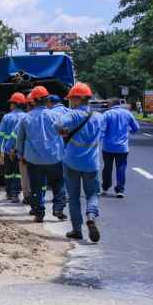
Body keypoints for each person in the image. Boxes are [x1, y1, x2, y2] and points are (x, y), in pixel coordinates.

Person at [57, 83, 105, 243]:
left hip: (71, 162)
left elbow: (57, 124)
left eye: (71, 99)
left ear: (78, 99)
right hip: (91, 164)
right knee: (93, 194)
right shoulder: (99, 117)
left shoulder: (73, 115)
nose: (70, 102)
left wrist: (63, 132)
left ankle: (77, 230)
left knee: (74, 197)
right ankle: (91, 215)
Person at [16, 85, 67, 222]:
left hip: (34, 160)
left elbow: (20, 139)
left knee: (36, 187)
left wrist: (20, 155)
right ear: (47, 100)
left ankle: (39, 213)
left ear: (33, 101)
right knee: (58, 184)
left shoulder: (26, 118)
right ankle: (58, 208)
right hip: (54, 157)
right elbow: (64, 133)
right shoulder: (56, 116)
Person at [101, 98, 140, 198]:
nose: (107, 105)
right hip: (122, 147)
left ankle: (105, 187)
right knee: (121, 168)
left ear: (111, 104)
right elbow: (136, 128)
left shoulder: (107, 114)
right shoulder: (127, 114)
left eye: (108, 104)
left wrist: (97, 140)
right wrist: (128, 131)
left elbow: (102, 130)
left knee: (107, 168)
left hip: (108, 147)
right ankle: (120, 190)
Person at [0, 92, 28, 202]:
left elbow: (0, 134)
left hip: (8, 149)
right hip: (21, 150)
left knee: (9, 173)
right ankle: (16, 193)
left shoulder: (6, 117)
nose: (10, 105)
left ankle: (9, 193)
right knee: (19, 173)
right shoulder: (26, 117)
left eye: (11, 103)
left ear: (15, 104)